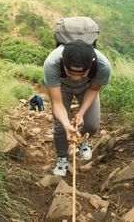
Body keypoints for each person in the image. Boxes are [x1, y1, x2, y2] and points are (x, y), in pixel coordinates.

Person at [43, 39, 111, 177]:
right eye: (70, 72)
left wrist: (81, 113)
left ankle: (81, 139)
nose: (75, 78)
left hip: (87, 88)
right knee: (61, 126)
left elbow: (94, 89)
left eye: (82, 73)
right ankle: (62, 158)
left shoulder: (103, 66)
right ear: (62, 60)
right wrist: (67, 124)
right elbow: (57, 103)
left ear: (92, 63)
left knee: (92, 125)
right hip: (61, 88)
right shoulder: (51, 64)